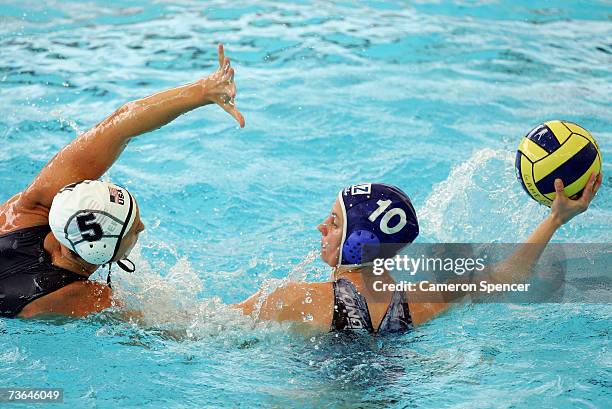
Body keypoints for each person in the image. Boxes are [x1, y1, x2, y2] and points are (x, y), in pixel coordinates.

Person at [0, 44, 244, 318]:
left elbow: (119, 125)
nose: (142, 225)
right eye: (134, 229)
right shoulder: (80, 297)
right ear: (112, 254)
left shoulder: (24, 212)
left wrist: (204, 91)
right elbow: (185, 329)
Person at [235, 175, 602, 334]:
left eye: (333, 222)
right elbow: (510, 277)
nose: (320, 227)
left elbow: (198, 328)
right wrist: (555, 219)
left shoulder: (293, 298)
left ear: (357, 240)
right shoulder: (424, 300)